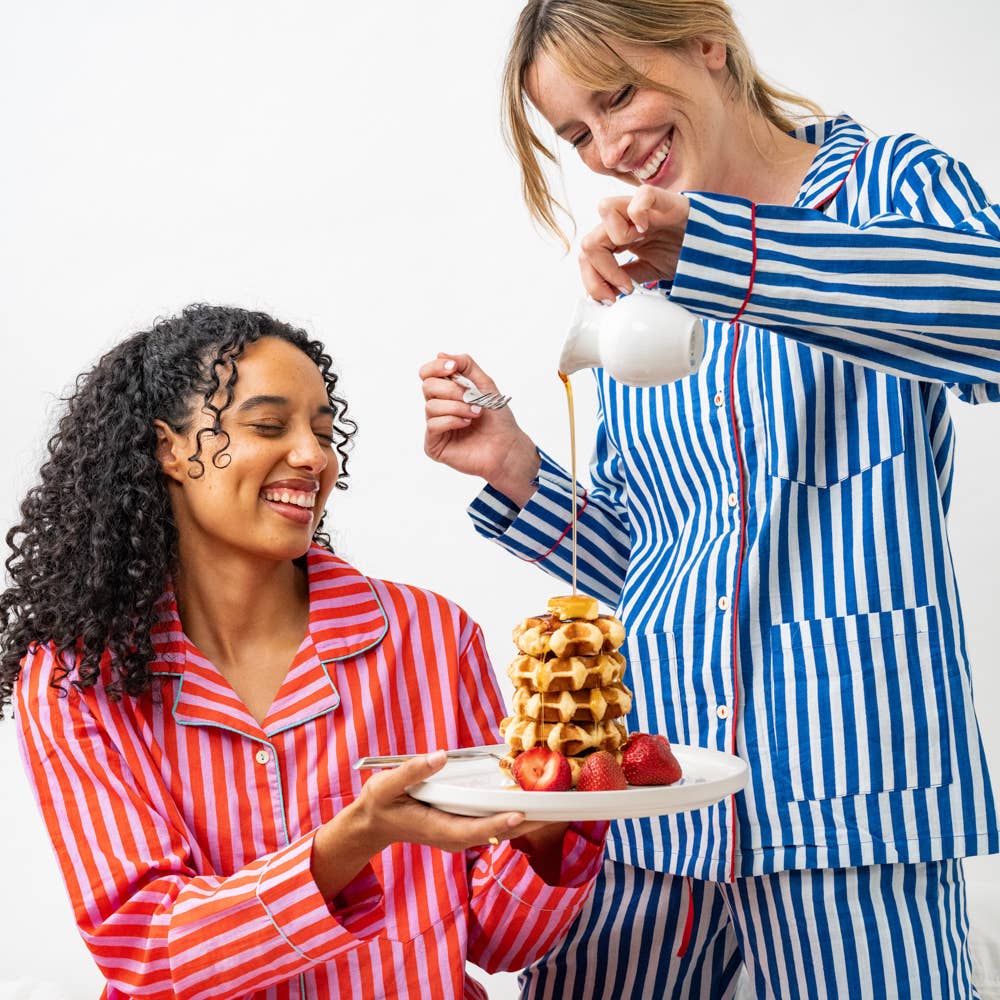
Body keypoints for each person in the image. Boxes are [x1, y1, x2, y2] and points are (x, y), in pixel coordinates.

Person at [419, 1, 1000, 997]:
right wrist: (519, 470)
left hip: (850, 801)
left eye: (617, 97)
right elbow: (657, 561)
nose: (609, 149)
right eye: (576, 134)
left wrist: (721, 251)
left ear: (705, 43)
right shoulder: (640, 285)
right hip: (645, 805)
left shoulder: (890, 186)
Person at [1, 304, 608, 1000]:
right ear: (169, 449)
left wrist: (551, 819)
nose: (314, 457)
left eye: (323, 432)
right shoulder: (74, 677)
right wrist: (351, 841)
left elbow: (501, 941)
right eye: (269, 426)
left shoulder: (432, 638)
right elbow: (146, 952)